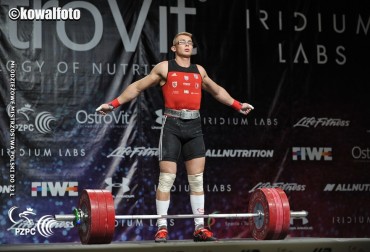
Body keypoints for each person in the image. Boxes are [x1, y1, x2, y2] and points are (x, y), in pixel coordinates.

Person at [96, 32, 254, 242]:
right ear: (173, 48)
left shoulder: (199, 71)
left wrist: (237, 105)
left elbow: (216, 91)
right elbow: (137, 86)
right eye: (182, 42)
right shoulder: (164, 68)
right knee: (167, 178)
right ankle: (162, 227)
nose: (187, 45)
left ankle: (200, 228)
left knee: (197, 181)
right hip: (171, 125)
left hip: (194, 127)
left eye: (190, 43)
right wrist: (113, 104)